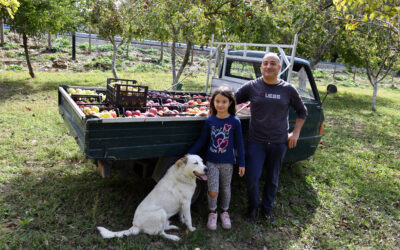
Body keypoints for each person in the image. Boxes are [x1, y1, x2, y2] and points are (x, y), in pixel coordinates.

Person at [235, 53, 307, 223]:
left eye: (273, 63)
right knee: (252, 177)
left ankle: (267, 211)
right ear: (261, 67)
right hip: (256, 141)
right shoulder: (252, 86)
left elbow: (302, 111)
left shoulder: (288, 89)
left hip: (278, 142)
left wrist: (295, 133)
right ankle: (253, 209)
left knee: (272, 179)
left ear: (279, 68)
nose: (268, 66)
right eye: (265, 63)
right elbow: (231, 100)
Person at [188, 86, 245, 231]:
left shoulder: (235, 121)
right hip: (211, 161)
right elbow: (202, 140)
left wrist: (242, 163)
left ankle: (224, 212)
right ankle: (212, 212)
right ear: (213, 102)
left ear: (230, 103)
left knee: (226, 189)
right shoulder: (210, 120)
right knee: (213, 190)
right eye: (217, 101)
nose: (220, 105)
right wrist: (190, 154)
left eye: (224, 102)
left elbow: (240, 144)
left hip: (228, 162)